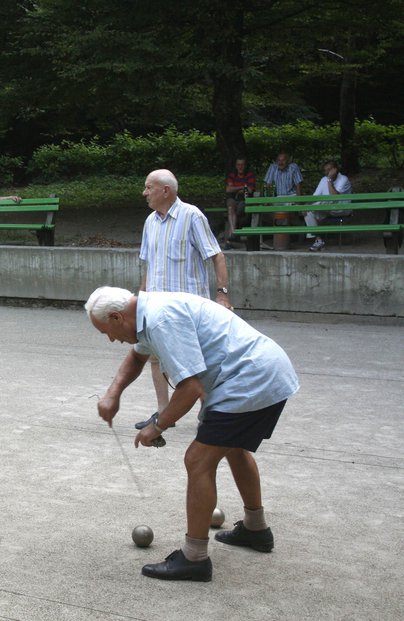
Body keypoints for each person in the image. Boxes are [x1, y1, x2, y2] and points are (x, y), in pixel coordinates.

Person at [87, 286, 299, 582]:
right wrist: (113, 394)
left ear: (116, 316)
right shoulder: (146, 314)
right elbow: (136, 358)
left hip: (251, 378)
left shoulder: (160, 321)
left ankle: (194, 558)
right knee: (234, 448)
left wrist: (156, 426)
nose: (111, 339)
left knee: (198, 459)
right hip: (262, 371)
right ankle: (256, 529)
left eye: (107, 332)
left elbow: (190, 388)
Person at [134, 169, 231, 431]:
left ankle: (208, 413)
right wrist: (140, 300)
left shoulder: (192, 216)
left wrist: (221, 293)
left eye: (148, 187)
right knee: (155, 358)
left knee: (199, 363)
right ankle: (164, 413)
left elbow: (217, 255)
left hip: (189, 310)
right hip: (156, 307)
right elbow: (149, 266)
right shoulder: (150, 222)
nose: (144, 193)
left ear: (165, 190)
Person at [305, 160, 352, 252]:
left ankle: (312, 207)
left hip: (341, 209)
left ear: (335, 169)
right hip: (326, 209)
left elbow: (334, 197)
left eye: (329, 170)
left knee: (324, 202)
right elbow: (315, 197)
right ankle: (318, 240)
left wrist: (330, 180)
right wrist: (306, 205)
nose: (327, 173)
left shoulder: (343, 179)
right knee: (308, 211)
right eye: (325, 170)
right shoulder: (323, 179)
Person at [222, 157, 256, 249]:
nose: (240, 167)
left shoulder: (250, 175)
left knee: (238, 210)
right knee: (230, 206)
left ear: (245, 166)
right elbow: (228, 189)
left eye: (242, 165)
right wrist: (242, 187)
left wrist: (236, 188)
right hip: (233, 200)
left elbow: (249, 189)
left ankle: (230, 239)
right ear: (236, 166)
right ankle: (233, 234)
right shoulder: (232, 175)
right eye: (238, 165)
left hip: (244, 200)